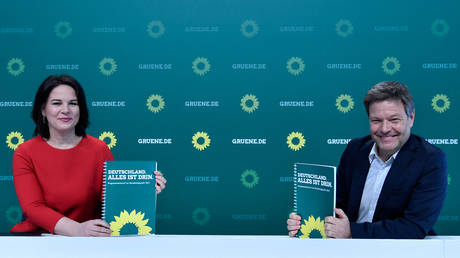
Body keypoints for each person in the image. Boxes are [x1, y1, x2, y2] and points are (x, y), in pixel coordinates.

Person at [287, 81, 447, 239]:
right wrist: (305, 221)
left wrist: (352, 232)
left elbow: (414, 227)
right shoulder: (355, 150)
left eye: (394, 120)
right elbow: (335, 208)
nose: (385, 129)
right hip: (347, 251)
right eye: (376, 121)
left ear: (410, 118)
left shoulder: (430, 160)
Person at [11, 75, 167, 236]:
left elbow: (114, 199)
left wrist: (144, 188)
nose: (66, 110)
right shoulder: (25, 152)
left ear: (81, 109)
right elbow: (33, 208)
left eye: (73, 103)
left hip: (89, 241)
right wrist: (77, 229)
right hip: (38, 239)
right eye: (56, 103)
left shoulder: (98, 149)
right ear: (43, 109)